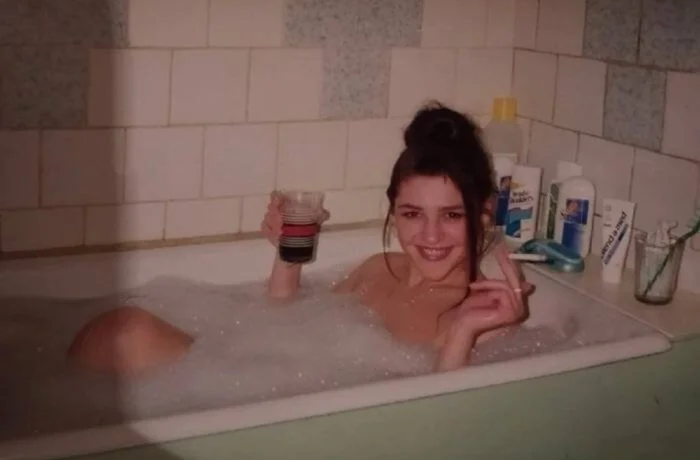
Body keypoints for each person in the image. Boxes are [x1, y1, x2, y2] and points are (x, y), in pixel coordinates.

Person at [68, 102, 532, 375]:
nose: (429, 236)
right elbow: (286, 321)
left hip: (335, 432)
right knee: (120, 330)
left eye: (451, 215)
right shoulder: (378, 269)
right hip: (256, 381)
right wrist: (288, 257)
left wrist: (463, 333)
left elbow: (441, 422)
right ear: (394, 211)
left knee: (127, 335)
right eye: (412, 214)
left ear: (483, 213)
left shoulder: (481, 314)